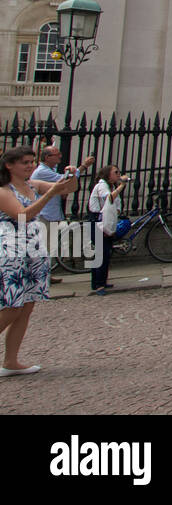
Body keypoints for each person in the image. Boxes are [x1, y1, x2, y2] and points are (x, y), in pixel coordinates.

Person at [1, 146, 77, 376]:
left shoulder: (32, 185)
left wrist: (72, 175)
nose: (30, 166)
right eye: (25, 162)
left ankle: (11, 361)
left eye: (32, 161)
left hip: (33, 250)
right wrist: (49, 193)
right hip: (11, 251)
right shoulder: (4, 191)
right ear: (9, 165)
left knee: (26, 307)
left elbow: (68, 189)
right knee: (12, 307)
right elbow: (23, 215)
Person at [29, 145, 94, 285]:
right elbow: (65, 181)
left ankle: (46, 274)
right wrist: (83, 166)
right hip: (45, 214)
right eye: (56, 154)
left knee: (49, 247)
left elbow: (63, 186)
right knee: (44, 247)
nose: (60, 156)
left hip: (52, 213)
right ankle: (40, 276)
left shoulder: (49, 170)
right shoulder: (41, 172)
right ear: (47, 157)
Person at [88, 165, 130, 295]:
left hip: (106, 222)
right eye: (115, 172)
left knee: (106, 253)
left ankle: (101, 281)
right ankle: (98, 285)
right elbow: (109, 198)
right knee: (101, 253)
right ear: (107, 175)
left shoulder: (111, 187)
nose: (118, 174)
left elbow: (116, 205)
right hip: (97, 222)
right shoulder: (101, 186)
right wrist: (122, 185)